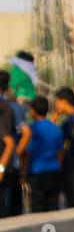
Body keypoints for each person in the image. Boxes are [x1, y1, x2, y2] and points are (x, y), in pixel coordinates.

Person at [16, 95, 63, 212]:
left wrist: (22, 173)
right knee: (53, 206)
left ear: (33, 111)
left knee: (38, 208)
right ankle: (53, 229)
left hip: (37, 172)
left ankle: (42, 230)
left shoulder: (31, 129)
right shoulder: (56, 128)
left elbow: (27, 154)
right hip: (54, 171)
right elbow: (60, 152)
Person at [55, 87, 74, 207]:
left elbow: (62, 146)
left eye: (56, 102)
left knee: (71, 198)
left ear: (63, 102)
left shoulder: (68, 122)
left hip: (70, 164)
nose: (56, 105)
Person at [0, 71, 23, 216]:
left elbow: (9, 142)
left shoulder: (5, 107)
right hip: (11, 165)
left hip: (5, 166)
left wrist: (1, 167)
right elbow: (24, 133)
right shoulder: (13, 106)